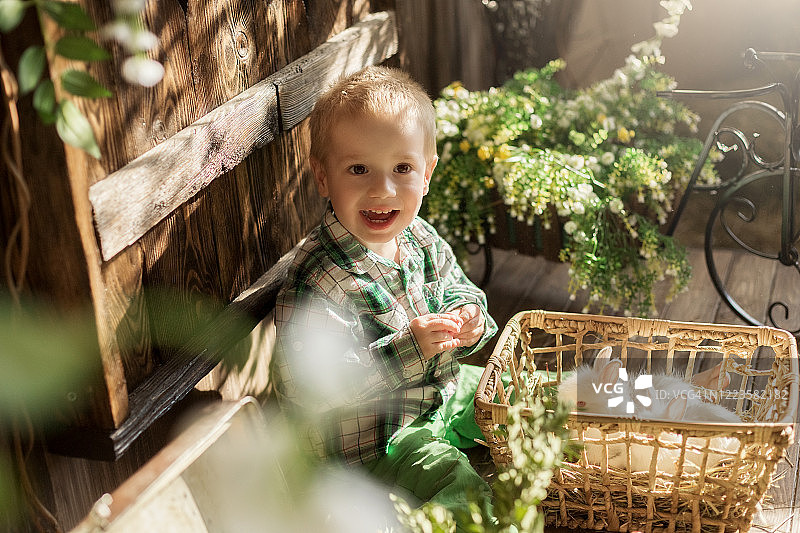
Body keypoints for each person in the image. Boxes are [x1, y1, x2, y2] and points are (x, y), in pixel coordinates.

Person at [269, 65, 498, 529]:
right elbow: (310, 387)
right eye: (359, 169)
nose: (382, 190)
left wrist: (469, 315)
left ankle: (607, 455)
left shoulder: (419, 237)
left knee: (516, 392)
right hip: (374, 439)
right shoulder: (320, 279)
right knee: (462, 489)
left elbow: (455, 284)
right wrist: (409, 349)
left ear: (427, 173)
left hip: (437, 391)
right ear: (322, 177)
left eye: (402, 168)